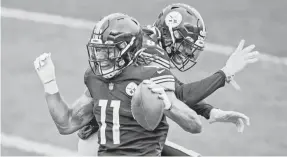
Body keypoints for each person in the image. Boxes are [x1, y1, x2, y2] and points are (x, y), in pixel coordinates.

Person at [77, 3, 259, 156]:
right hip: (105, 141)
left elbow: (172, 86)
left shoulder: (147, 42)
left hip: (111, 138)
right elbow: (180, 95)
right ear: (172, 36)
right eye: (186, 45)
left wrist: (210, 111)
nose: (187, 53)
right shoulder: (152, 51)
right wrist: (224, 74)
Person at [34, 13, 203, 156]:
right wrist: (50, 84)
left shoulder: (150, 75)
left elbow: (194, 125)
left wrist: (168, 105)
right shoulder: (96, 79)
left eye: (107, 51)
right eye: (97, 50)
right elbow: (67, 123)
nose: (100, 57)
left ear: (129, 50)